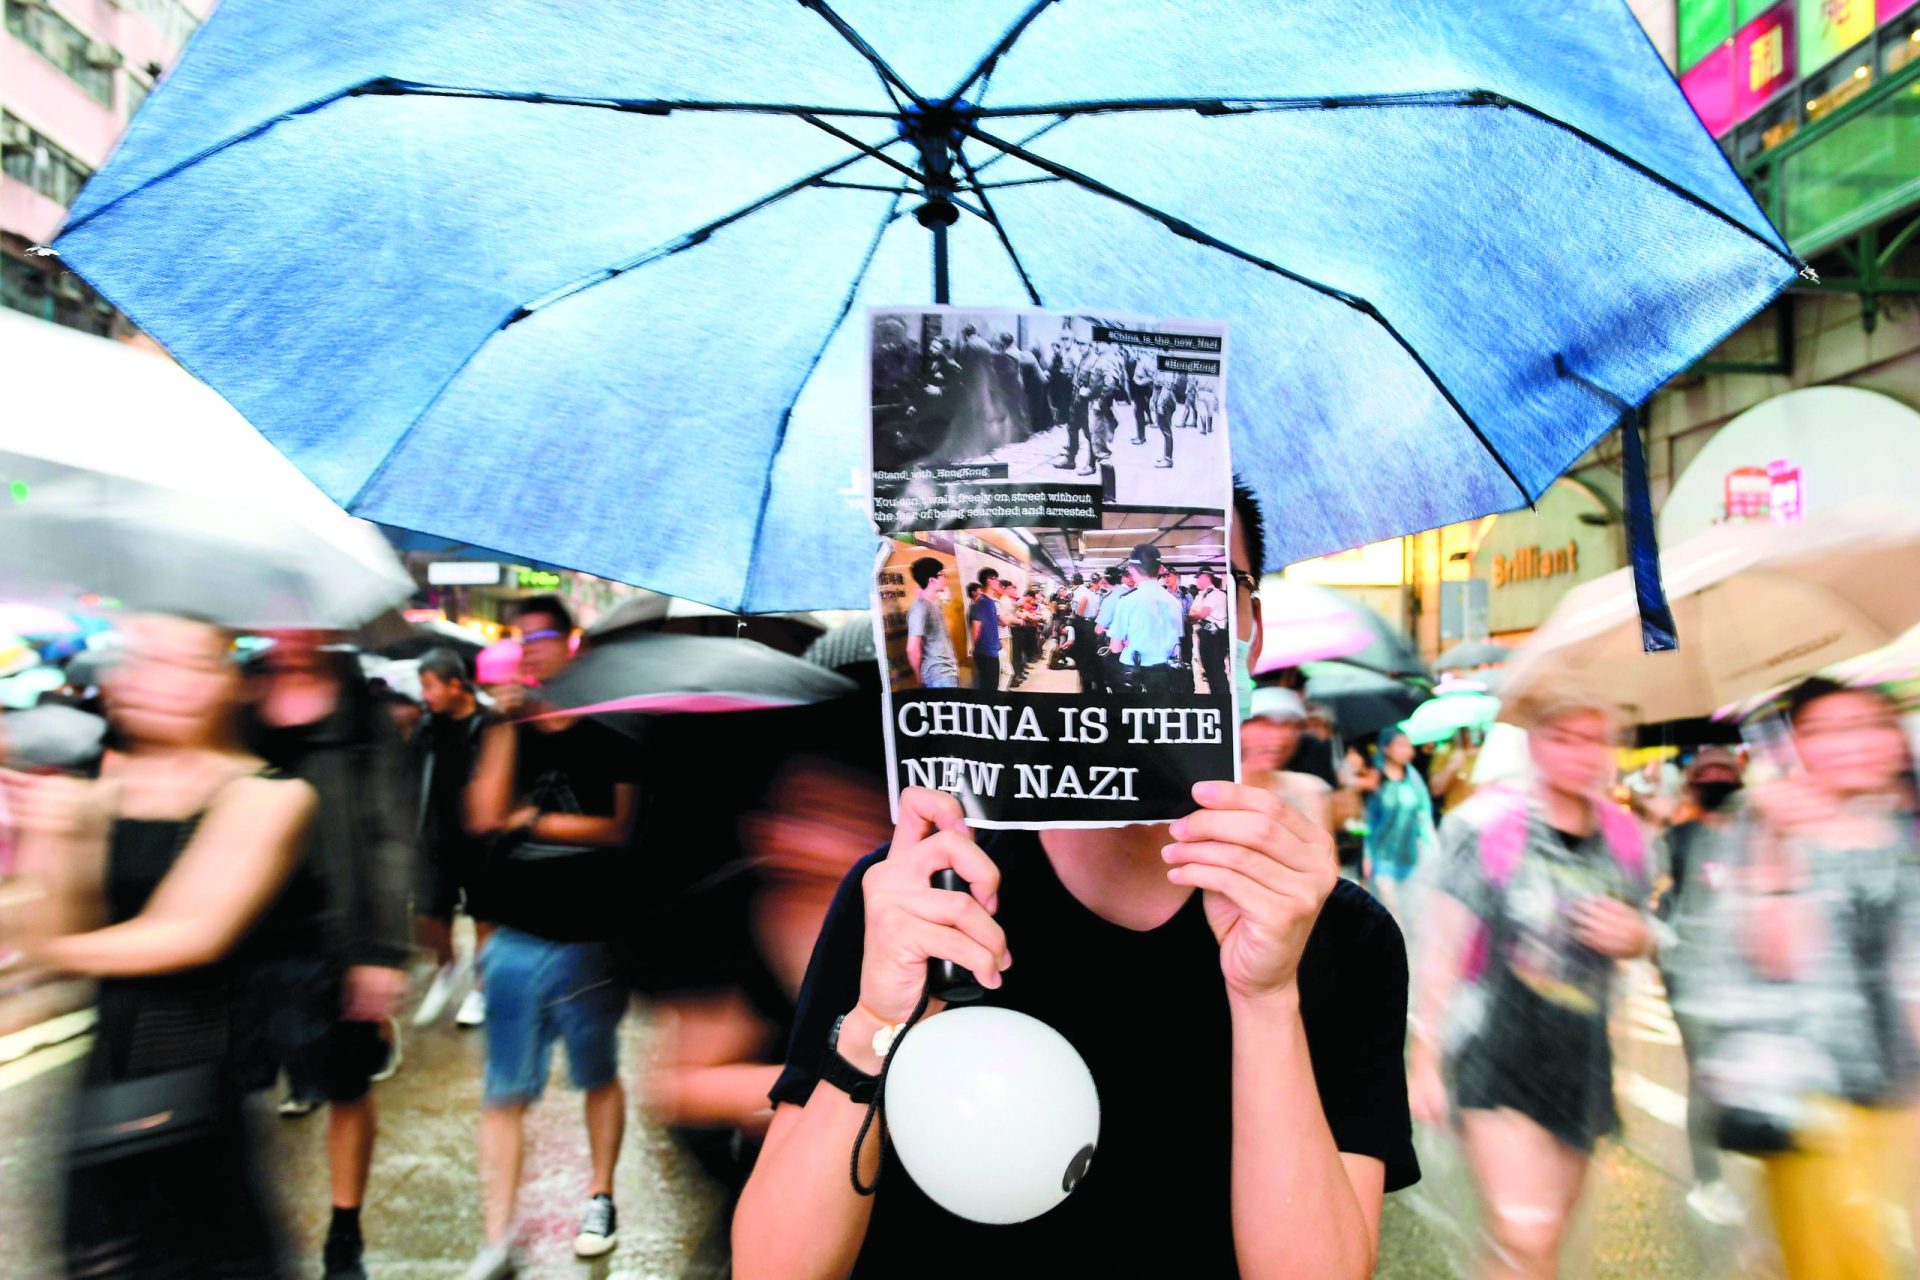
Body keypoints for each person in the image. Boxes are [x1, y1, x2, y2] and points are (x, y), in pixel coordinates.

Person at [732, 483, 1417, 1278]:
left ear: (1251, 630)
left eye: (1214, 583)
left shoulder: (1340, 933)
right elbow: (772, 1268)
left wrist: (1266, 1003)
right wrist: (878, 1019)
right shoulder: (921, 891)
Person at [5, 613, 317, 1280]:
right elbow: (48, 933)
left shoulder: (270, 794)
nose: (147, 679)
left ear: (223, 683)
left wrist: (54, 948)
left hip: (203, 1093)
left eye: (179, 662)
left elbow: (190, 934)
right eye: (138, 658)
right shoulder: (94, 789)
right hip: (101, 1088)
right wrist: (54, 839)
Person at [1409, 691, 1652, 1280]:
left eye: (1594, 739)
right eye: (1561, 737)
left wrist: (1637, 937)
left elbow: (1639, 936)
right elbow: (1442, 948)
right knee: (1527, 1230)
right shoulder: (1487, 826)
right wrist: (1425, 1059)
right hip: (1494, 1052)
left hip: (1581, 1058)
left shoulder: (1625, 838)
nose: (1579, 753)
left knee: (1537, 1246)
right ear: (1533, 742)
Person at [1682, 680, 1920, 1280]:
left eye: (1868, 724)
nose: (1854, 744)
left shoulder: (1903, 829)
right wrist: (1777, 844)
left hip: (1906, 1088)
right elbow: (1769, 958)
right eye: (1825, 730)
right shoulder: (1764, 823)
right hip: (1815, 1097)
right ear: (1799, 746)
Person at [459, 597, 637, 1278]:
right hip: (517, 937)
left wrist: (532, 821)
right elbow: (483, 815)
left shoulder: (612, 728)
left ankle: (601, 1195)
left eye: (540, 636)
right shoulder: (513, 727)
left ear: (572, 642)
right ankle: (497, 1236)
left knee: (596, 1074)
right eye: (519, 639)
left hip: (590, 937)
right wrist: (505, 725)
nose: (529, 648)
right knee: (504, 1090)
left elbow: (620, 827)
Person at [245, 631, 414, 1280]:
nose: (289, 635)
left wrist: (382, 950)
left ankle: (344, 1232)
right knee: (241, 1085)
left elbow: (390, 831)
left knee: (346, 1085)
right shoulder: (242, 692)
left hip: (336, 934)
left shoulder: (358, 704)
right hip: (247, 928)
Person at [1650, 746, 1744, 1228]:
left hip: (1747, 978)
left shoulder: (1757, 836)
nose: (1717, 780)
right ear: (1692, 786)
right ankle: (1710, 1182)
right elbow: (1648, 891)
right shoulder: (1678, 838)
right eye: (1706, 775)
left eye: (1724, 772)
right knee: (1706, 1076)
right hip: (1692, 978)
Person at [411, 646, 497, 1027]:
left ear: (456, 685)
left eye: (430, 687)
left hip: (482, 841)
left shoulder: (491, 723)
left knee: (485, 918)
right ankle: (449, 965)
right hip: (437, 838)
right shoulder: (427, 726)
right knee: (427, 917)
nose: (425, 695)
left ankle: (480, 986)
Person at [1354, 729, 1435, 919]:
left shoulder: (1414, 780)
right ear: (1386, 749)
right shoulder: (1375, 779)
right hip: (1380, 858)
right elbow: (1367, 820)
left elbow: (1424, 817)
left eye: (1409, 745)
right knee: (1392, 910)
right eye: (1400, 745)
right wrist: (1366, 855)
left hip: (1409, 858)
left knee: (1412, 913)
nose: (1407, 751)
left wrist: (1431, 851)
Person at [1242, 686, 1335, 838]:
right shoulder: (1211, 789)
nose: (1276, 738)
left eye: (1287, 725)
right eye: (1263, 724)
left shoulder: (1309, 789)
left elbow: (1325, 856)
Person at [1109, 545, 1184, 699]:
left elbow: (1115, 647)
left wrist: (1128, 641)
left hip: (1136, 674)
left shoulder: (1127, 601)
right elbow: (1178, 637)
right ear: (1161, 569)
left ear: (1131, 569)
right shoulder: (1174, 601)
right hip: (1166, 674)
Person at [904, 559, 959, 690]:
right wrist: (918, 676)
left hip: (947, 673)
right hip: (939, 677)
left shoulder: (934, 604)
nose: (945, 578)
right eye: (942, 574)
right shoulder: (920, 608)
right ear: (931, 580)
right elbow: (912, 648)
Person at [1190, 567, 1230, 695]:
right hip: (1205, 635)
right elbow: (1194, 612)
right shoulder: (1201, 595)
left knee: (1216, 670)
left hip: (1214, 637)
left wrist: (1189, 617)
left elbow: (1200, 614)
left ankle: (1222, 699)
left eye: (1198, 578)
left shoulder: (1216, 594)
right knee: (1209, 670)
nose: (1196, 581)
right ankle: (1216, 697)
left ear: (1206, 577)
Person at [968, 570, 1004, 693]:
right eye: (996, 579)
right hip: (985, 652)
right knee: (989, 686)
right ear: (989, 580)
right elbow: (976, 628)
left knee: (993, 684)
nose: (998, 582)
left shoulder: (991, 602)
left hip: (992, 650)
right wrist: (974, 647)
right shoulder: (981, 603)